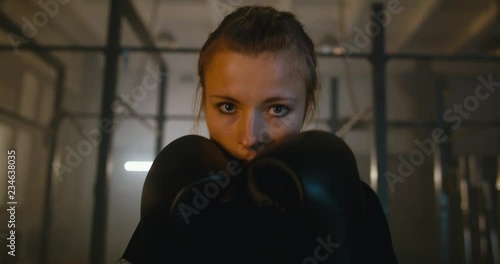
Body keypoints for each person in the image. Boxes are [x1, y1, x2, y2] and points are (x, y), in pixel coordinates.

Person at [121, 5, 398, 264]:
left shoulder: (353, 202)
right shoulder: (183, 196)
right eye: (228, 107)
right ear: (204, 104)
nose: (250, 137)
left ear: (307, 108)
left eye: (277, 109)